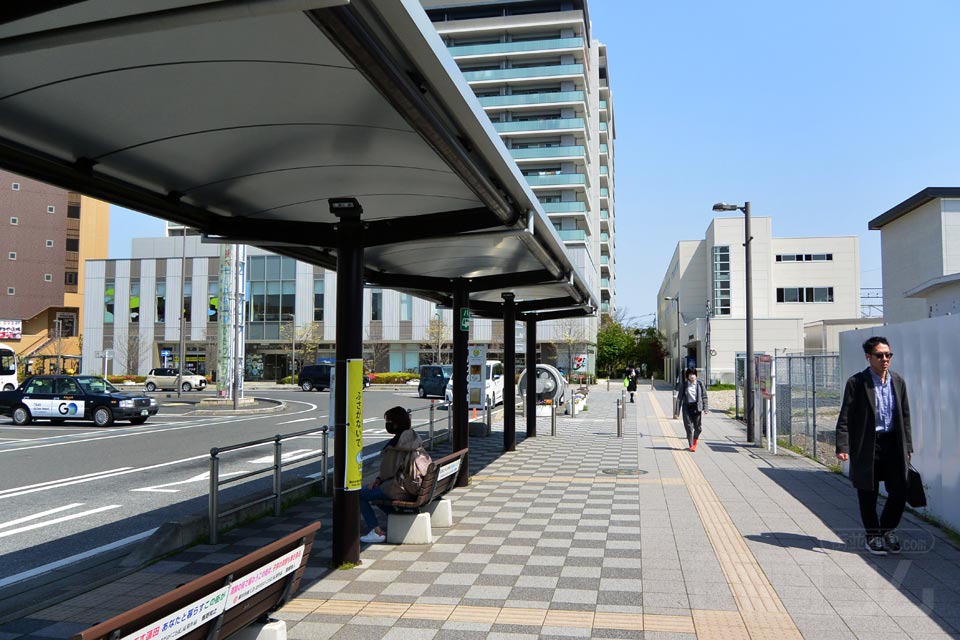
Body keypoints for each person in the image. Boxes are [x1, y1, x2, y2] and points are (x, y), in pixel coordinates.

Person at [836, 336, 913, 556]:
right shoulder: (857, 382)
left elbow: (904, 416)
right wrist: (842, 446)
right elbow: (845, 417)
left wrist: (908, 446)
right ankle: (873, 536)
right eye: (879, 355)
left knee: (899, 491)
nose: (885, 359)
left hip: (893, 445)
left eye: (888, 355)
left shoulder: (898, 381)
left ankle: (887, 530)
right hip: (866, 445)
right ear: (868, 357)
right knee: (867, 493)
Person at [359, 406, 424, 543]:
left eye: (389, 421)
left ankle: (375, 531)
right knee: (377, 492)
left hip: (399, 488)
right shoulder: (413, 437)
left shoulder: (395, 445)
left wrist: (377, 480)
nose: (387, 424)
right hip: (415, 485)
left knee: (360, 495)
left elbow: (387, 472)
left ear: (396, 423)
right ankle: (396, 518)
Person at [676, 367, 708, 451]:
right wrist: (677, 411)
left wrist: (705, 408)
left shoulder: (700, 384)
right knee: (689, 427)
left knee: (698, 428)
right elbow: (679, 398)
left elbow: (704, 396)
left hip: (697, 408)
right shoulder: (684, 385)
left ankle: (695, 440)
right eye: (690, 374)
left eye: (693, 374)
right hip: (687, 408)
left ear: (696, 375)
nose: (692, 376)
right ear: (687, 376)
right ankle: (691, 445)